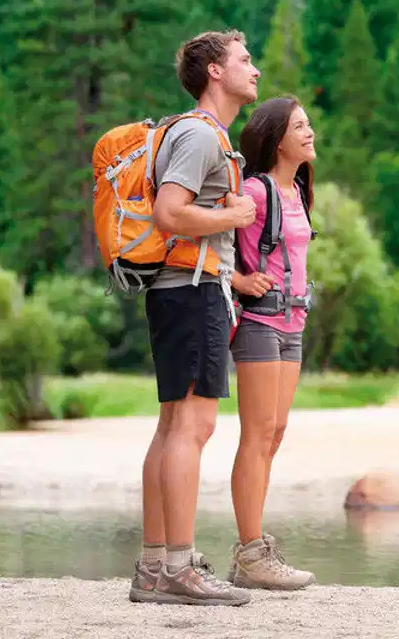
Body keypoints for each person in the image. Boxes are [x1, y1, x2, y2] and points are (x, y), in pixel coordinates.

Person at [129, 30, 260, 607]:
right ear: (214, 72)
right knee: (193, 428)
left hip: (180, 292)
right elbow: (168, 213)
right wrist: (233, 213)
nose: (254, 69)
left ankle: (155, 566)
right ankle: (178, 568)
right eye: (244, 59)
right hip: (192, 290)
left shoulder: (201, 135)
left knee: (171, 426)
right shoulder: (201, 136)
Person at [224, 96, 318, 590]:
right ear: (276, 138)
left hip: (293, 323)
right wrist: (239, 281)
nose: (310, 133)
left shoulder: (298, 191)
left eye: (309, 126)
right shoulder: (255, 191)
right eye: (300, 127)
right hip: (260, 322)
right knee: (258, 435)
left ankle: (252, 552)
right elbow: (206, 237)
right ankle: (251, 552)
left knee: (275, 432)